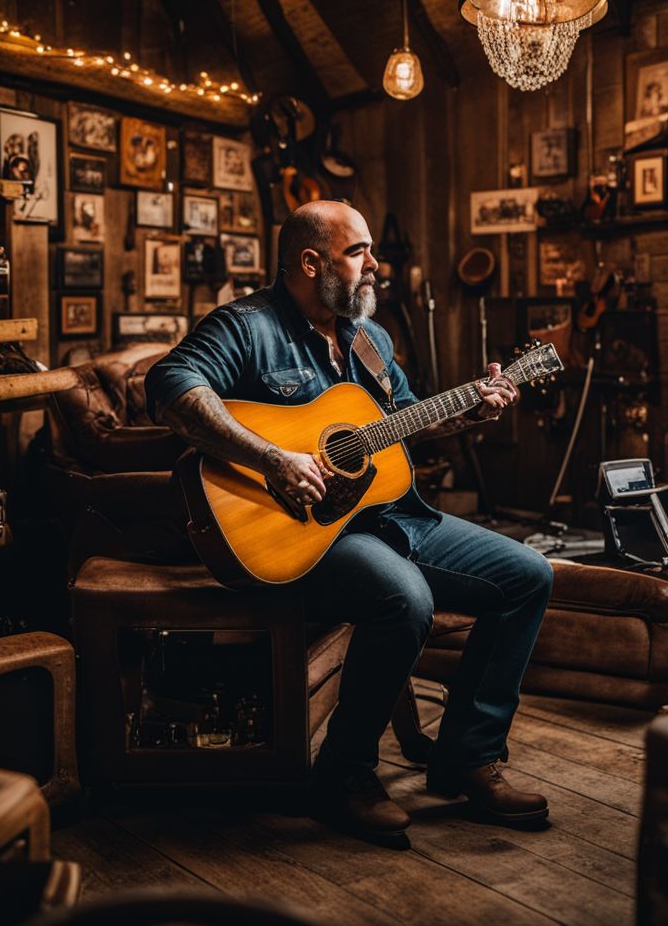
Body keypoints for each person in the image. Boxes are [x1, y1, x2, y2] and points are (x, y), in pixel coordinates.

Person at [145, 200, 553, 849]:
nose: (374, 264)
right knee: (405, 598)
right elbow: (169, 384)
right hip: (303, 533)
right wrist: (272, 458)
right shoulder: (248, 326)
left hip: (394, 517)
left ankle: (467, 759)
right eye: (359, 251)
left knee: (528, 574)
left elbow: (409, 420)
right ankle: (343, 777)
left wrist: (475, 407)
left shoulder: (368, 337)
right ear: (311, 262)